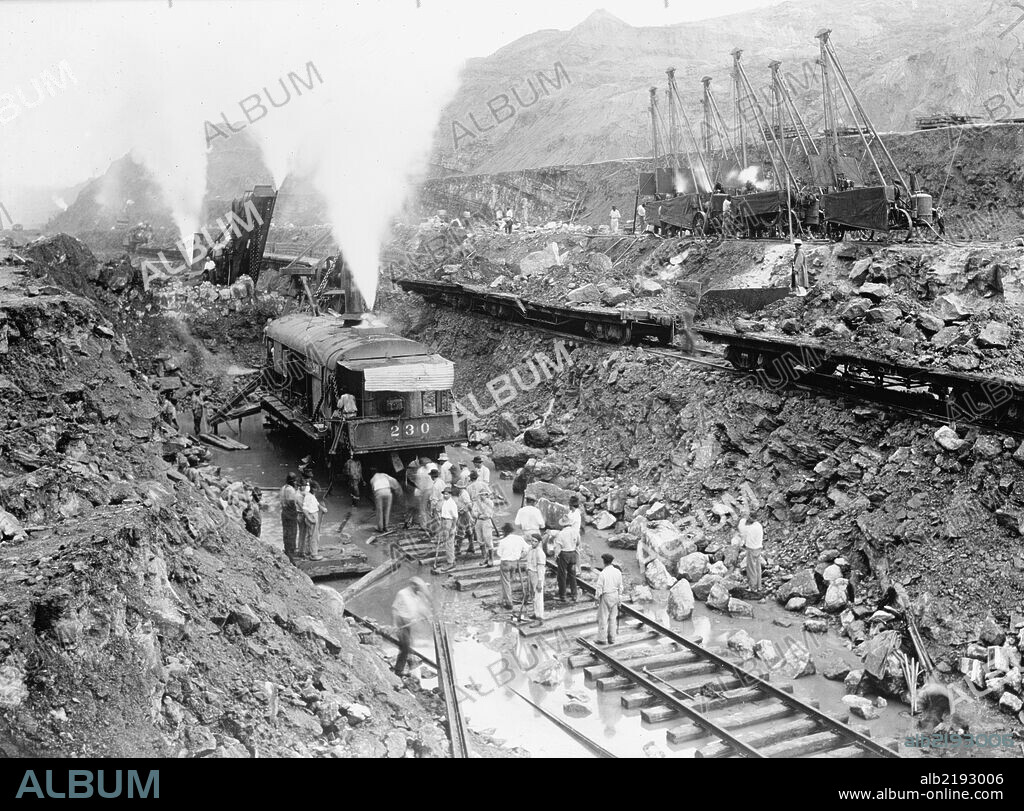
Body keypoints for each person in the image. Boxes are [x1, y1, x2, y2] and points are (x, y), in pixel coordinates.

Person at [391, 577, 432, 676]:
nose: (418, 589)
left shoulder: (416, 595)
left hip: (408, 622)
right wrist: (395, 624)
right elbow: (395, 608)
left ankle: (405, 664)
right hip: (401, 621)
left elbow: (419, 608)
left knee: (407, 644)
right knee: (405, 645)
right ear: (412, 585)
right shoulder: (402, 594)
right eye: (417, 587)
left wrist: (426, 616)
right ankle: (398, 670)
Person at [496, 523, 530, 610]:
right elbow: (527, 548)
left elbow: (499, 553)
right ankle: (505, 598)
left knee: (506, 582)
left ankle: (509, 602)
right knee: (511, 580)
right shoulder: (519, 538)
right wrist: (521, 556)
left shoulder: (503, 541)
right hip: (515, 562)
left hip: (506, 563)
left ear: (505, 532)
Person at [595, 553, 623, 645]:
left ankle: (602, 639)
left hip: (606, 596)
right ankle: (612, 638)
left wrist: (597, 598)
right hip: (615, 595)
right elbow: (620, 587)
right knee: (613, 618)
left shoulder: (603, 573)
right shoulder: (617, 572)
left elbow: (599, 588)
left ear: (604, 562)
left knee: (603, 618)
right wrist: (619, 597)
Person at [738, 508, 765, 592]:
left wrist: (743, 519)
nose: (748, 518)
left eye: (749, 517)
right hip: (758, 548)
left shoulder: (750, 528)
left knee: (751, 569)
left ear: (752, 518)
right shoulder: (759, 526)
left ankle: (753, 587)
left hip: (751, 549)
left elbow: (741, 529)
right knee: (757, 568)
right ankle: (759, 586)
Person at [552, 523, 579, 602]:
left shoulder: (561, 534)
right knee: (572, 575)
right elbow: (578, 542)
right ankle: (574, 595)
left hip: (564, 554)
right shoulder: (575, 531)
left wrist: (556, 555)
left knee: (562, 575)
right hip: (573, 553)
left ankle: (562, 596)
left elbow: (558, 547)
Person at [299, 481, 326, 561]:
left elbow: (317, 503)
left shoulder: (312, 496)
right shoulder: (308, 496)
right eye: (316, 489)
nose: (317, 490)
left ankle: (308, 551)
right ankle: (314, 555)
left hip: (314, 514)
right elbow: (304, 509)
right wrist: (310, 519)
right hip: (311, 515)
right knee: (314, 536)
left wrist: (322, 508)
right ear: (313, 488)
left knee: (310, 535)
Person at [370, 468, 402, 532]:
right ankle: (386, 527)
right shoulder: (384, 475)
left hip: (379, 492)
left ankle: (380, 528)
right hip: (388, 492)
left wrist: (375, 503)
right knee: (387, 510)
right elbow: (394, 481)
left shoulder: (372, 479)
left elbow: (374, 491)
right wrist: (398, 491)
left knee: (379, 511)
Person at [279, 473, 301, 560]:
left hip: (284, 513)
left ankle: (287, 550)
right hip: (290, 513)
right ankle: (291, 552)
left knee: (286, 532)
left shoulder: (283, 488)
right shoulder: (291, 490)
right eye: (295, 481)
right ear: (292, 481)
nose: (296, 483)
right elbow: (292, 502)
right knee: (292, 532)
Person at [526, 533, 546, 624]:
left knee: (538, 597)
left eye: (535, 541)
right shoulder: (530, 549)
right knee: (533, 596)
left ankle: (540, 618)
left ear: (539, 542)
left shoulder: (540, 553)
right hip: (531, 573)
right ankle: (535, 613)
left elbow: (541, 569)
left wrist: (539, 581)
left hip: (537, 575)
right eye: (532, 541)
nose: (533, 543)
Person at [473, 489, 496, 567]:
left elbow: (488, 514)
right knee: (480, 540)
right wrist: (478, 515)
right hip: (478, 521)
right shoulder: (477, 503)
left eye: (484, 494)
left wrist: (479, 514)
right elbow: (474, 512)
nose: (482, 496)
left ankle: (491, 559)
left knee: (488, 539)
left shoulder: (490, 502)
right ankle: (485, 557)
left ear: (486, 495)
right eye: (481, 495)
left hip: (486, 521)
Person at [438, 486, 459, 570]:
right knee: (446, 542)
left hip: (449, 522)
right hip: (444, 521)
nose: (445, 495)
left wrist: (453, 528)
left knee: (449, 543)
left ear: (450, 494)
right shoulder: (445, 502)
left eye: (447, 494)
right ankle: (451, 559)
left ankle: (450, 562)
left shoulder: (452, 503)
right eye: (444, 494)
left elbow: (455, 517)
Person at [454, 484, 476, 556]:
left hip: (464, 514)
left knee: (460, 531)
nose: (456, 488)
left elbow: (469, 505)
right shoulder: (461, 493)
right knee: (468, 530)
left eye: (457, 487)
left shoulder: (464, 494)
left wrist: (464, 510)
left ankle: (458, 549)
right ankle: (471, 546)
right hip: (463, 513)